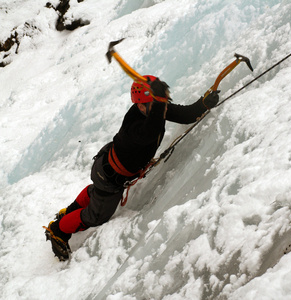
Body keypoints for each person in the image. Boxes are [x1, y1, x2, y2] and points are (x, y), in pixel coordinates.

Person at [44, 75, 219, 261]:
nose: (164, 108)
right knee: (96, 216)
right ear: (140, 106)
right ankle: (59, 230)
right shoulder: (136, 126)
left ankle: (70, 211)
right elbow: (149, 132)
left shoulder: (153, 110)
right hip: (109, 177)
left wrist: (204, 104)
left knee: (97, 193)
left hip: (106, 169)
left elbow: (185, 115)